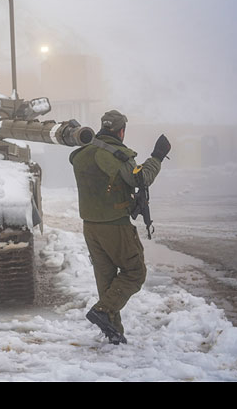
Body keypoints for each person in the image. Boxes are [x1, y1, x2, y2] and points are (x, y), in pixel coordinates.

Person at [69, 110, 171, 344]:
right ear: (121, 131)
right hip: (115, 225)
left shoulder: (82, 153)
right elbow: (140, 179)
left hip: (90, 226)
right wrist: (157, 156)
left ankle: (114, 333)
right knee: (135, 272)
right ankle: (103, 312)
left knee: (106, 280)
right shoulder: (115, 154)